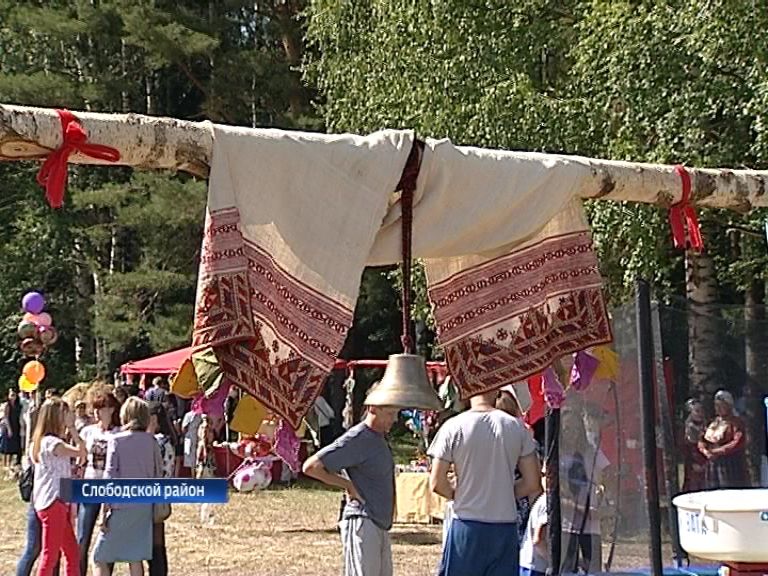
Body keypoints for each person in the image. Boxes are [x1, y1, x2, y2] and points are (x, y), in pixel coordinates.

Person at [428, 389, 541, 576]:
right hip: (504, 526)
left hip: (466, 524)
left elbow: (437, 483)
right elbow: (532, 483)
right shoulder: (517, 427)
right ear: (496, 392)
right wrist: (503, 493)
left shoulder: (453, 426)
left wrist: (460, 494)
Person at [302, 395, 399, 576]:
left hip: (379, 523)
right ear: (372, 409)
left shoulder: (378, 438)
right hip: (363, 520)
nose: (395, 419)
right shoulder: (358, 437)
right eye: (391, 413)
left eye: (396, 413)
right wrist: (348, 485)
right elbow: (311, 467)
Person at [91, 397, 162, 576]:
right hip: (144, 507)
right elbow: (157, 474)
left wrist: (103, 512)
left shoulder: (116, 440)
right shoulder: (152, 442)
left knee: (99, 557)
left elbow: (109, 478)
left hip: (120, 506)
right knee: (135, 557)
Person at [31, 397, 87, 576]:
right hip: (53, 502)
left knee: (71, 552)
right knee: (50, 555)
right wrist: (73, 428)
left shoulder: (39, 442)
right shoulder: (51, 443)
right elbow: (81, 452)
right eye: (65, 414)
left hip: (55, 500)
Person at [559, 410, 609, 575]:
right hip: (566, 523)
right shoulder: (556, 454)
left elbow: (605, 476)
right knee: (567, 568)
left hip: (590, 522)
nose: (572, 434)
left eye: (575, 429)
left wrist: (602, 492)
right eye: (567, 429)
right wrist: (578, 508)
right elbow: (552, 489)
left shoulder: (590, 450)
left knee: (593, 568)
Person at [16, 394, 61, 576]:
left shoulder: (41, 439)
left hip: (44, 497)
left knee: (43, 549)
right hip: (46, 498)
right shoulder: (48, 442)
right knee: (38, 549)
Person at [77, 391, 120, 576]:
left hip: (110, 488)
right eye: (94, 409)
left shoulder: (119, 434)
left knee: (108, 537)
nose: (96, 412)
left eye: (100, 408)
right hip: (90, 486)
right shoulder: (88, 431)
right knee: (82, 537)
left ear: (111, 409)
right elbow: (80, 457)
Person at [699, 390, 749, 489]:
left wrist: (718, 451)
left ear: (729, 406)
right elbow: (702, 439)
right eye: (716, 405)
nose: (718, 408)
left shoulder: (736, 422)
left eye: (721, 405)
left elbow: (737, 442)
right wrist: (705, 451)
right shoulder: (713, 422)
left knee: (728, 489)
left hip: (730, 463)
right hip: (713, 462)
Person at [147, 401, 176, 576]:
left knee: (154, 543)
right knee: (158, 540)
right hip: (163, 493)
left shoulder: (158, 441)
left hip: (154, 492)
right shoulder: (167, 439)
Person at [519, 467, 549, 576]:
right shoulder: (547, 502)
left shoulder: (544, 499)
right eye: (543, 474)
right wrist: (554, 561)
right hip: (535, 566)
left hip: (528, 564)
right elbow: (538, 540)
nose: (545, 479)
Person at [680, 399, 707, 492]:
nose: (700, 414)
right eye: (697, 411)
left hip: (706, 462)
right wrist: (692, 463)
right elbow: (686, 449)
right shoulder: (687, 429)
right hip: (693, 463)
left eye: (701, 410)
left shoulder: (707, 426)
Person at [4, 388, 24, 466]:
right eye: (11, 395)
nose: (13, 397)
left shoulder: (18, 405)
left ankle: (17, 463)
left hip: (17, 426)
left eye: (14, 395)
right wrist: (9, 429)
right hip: (9, 426)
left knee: (17, 446)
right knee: (8, 447)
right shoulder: (7, 405)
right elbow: (6, 417)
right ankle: (7, 464)